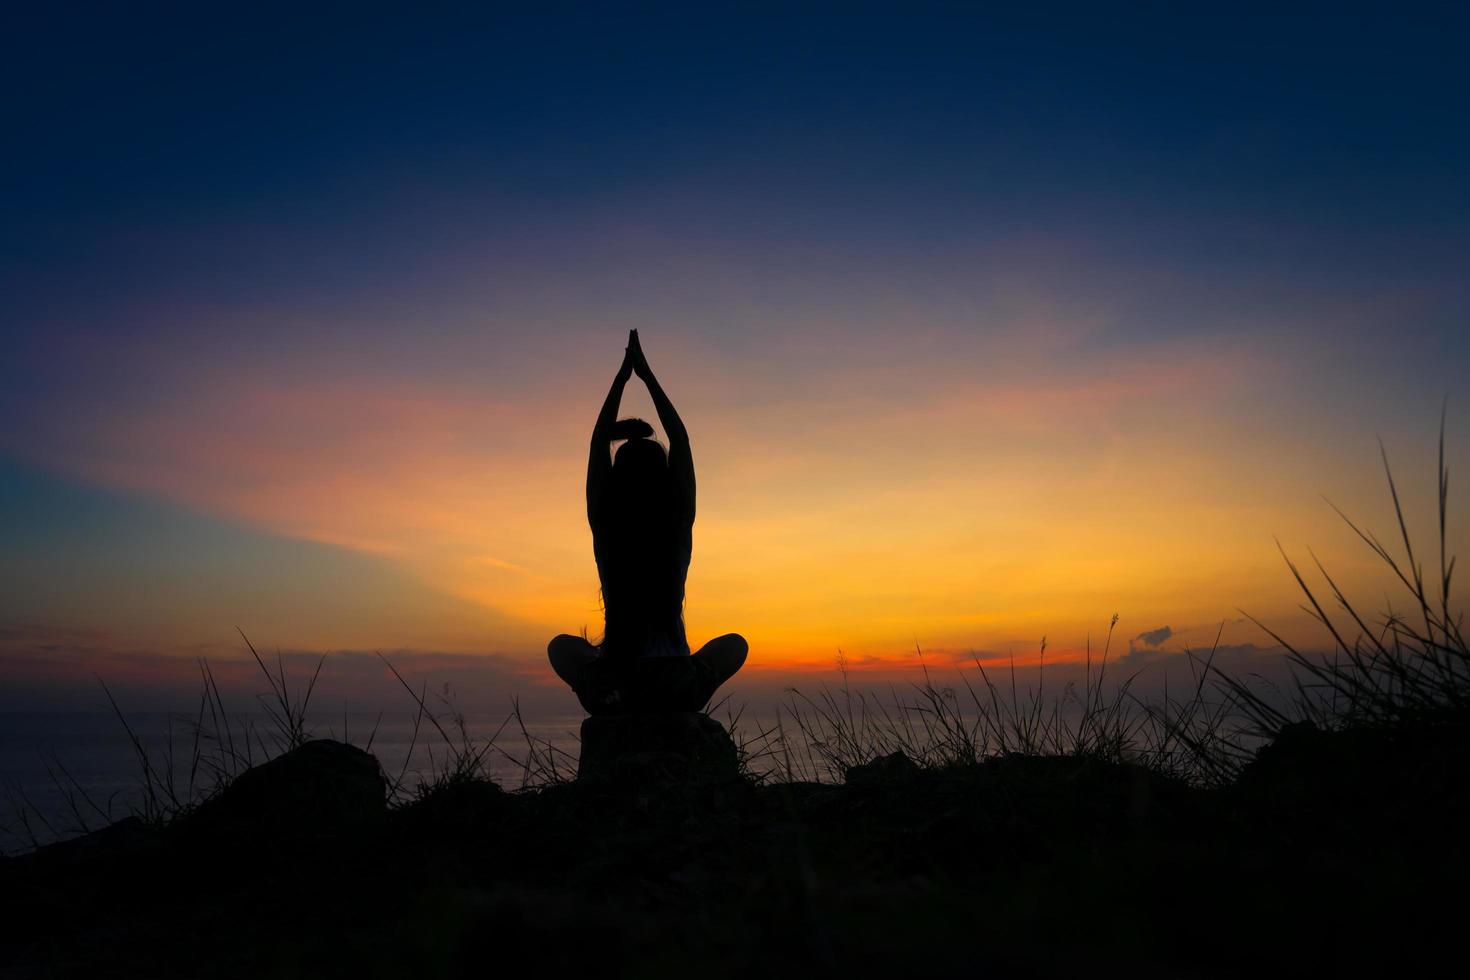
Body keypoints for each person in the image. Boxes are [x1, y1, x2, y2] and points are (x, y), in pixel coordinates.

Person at [547, 330, 747, 714]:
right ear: (664, 480)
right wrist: (648, 376)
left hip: (615, 684)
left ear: (618, 483)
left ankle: (615, 701)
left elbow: (596, 446)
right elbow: (681, 441)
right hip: (676, 686)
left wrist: (623, 378)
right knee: (735, 644)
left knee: (561, 646)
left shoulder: (607, 526)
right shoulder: (676, 526)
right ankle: (674, 701)